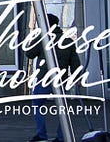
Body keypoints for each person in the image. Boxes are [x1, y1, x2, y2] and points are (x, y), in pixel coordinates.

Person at [30, 13, 81, 142]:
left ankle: (41, 135)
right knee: (62, 109)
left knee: (37, 105)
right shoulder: (67, 41)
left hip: (45, 78)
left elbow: (29, 53)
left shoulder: (43, 39)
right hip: (61, 79)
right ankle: (62, 136)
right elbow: (75, 62)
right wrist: (77, 78)